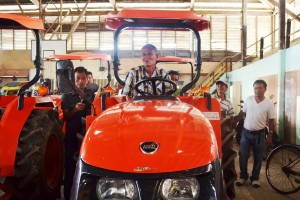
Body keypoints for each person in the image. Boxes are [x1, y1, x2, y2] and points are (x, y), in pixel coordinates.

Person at [61, 66, 94, 200]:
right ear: (73, 80)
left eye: (83, 78)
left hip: (86, 133)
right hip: (71, 135)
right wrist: (74, 109)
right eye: (78, 79)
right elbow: (66, 117)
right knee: (70, 167)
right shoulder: (67, 95)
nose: (81, 81)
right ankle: (68, 195)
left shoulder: (91, 94)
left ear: (88, 79)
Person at [235, 79, 275, 188]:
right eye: (255, 88)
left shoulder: (269, 104)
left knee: (258, 158)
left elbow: (271, 121)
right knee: (243, 156)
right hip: (246, 134)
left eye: (260, 88)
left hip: (260, 135)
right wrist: (234, 122)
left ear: (265, 89)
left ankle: (255, 178)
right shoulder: (248, 100)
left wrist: (270, 135)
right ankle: (243, 176)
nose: (257, 90)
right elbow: (242, 113)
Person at [213, 79, 237, 200]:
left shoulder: (228, 103)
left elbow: (231, 118)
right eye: (218, 85)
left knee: (227, 159)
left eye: (222, 86)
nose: (220, 87)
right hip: (212, 130)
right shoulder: (211, 100)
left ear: (226, 89)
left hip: (223, 133)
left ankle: (228, 192)